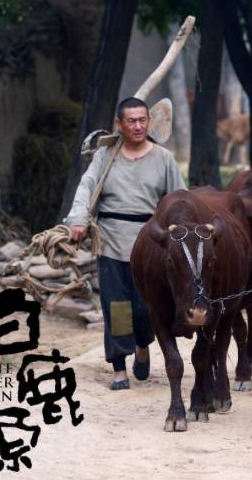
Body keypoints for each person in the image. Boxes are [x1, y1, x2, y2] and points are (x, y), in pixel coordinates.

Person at [66, 97, 186, 390]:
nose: (137, 126)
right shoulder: (105, 156)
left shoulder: (163, 158)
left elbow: (181, 200)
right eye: (131, 121)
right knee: (117, 308)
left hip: (151, 244)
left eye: (142, 120)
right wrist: (79, 219)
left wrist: (182, 233)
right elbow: (86, 187)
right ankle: (119, 368)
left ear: (149, 121)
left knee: (146, 309)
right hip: (111, 240)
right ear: (119, 125)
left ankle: (143, 345)